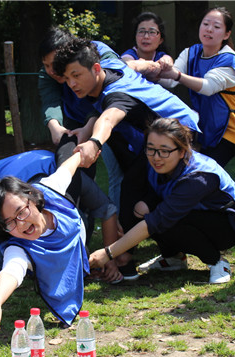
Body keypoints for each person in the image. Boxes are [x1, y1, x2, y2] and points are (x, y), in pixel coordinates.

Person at [52, 37, 201, 279]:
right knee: (135, 190)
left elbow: (109, 118)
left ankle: (124, 259)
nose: (71, 83)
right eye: (67, 78)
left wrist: (94, 142)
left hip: (183, 137)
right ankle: (159, 256)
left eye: (76, 75)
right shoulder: (113, 68)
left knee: (143, 193)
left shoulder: (117, 93)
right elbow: (130, 69)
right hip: (162, 138)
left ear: (96, 69)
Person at [0, 150, 122, 328]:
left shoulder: (51, 188)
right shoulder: (17, 247)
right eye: (9, 223)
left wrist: (85, 149)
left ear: (33, 199)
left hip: (30, 168)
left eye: (22, 213)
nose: (21, 225)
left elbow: (67, 168)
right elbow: (11, 270)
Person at [89, 118, 235, 284]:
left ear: (182, 151)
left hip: (226, 225)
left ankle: (217, 262)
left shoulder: (199, 177)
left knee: (163, 220)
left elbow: (158, 219)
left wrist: (109, 253)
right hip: (193, 213)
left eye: (164, 151)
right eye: (150, 149)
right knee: (145, 210)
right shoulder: (155, 160)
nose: (156, 157)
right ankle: (173, 258)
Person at [38, 27, 123, 211]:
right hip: (75, 122)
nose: (51, 70)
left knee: (120, 170)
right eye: (46, 65)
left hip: (113, 118)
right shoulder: (49, 73)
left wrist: (90, 129)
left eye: (54, 64)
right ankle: (74, 218)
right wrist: (55, 127)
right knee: (70, 164)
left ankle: (120, 223)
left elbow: (109, 94)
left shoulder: (98, 54)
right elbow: (50, 101)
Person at [159, 7, 235, 168]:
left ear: (227, 34)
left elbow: (208, 87)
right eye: (206, 24)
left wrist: (177, 75)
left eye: (216, 27)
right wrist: (152, 70)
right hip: (208, 128)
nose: (209, 29)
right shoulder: (190, 52)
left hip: (231, 131)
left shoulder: (229, 60)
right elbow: (169, 81)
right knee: (194, 172)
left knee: (202, 173)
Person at [121, 12, 174, 83]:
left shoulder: (162, 56)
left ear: (161, 40)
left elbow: (168, 62)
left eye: (152, 32)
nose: (146, 36)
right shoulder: (129, 55)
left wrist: (167, 62)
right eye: (141, 31)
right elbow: (125, 63)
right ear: (135, 36)